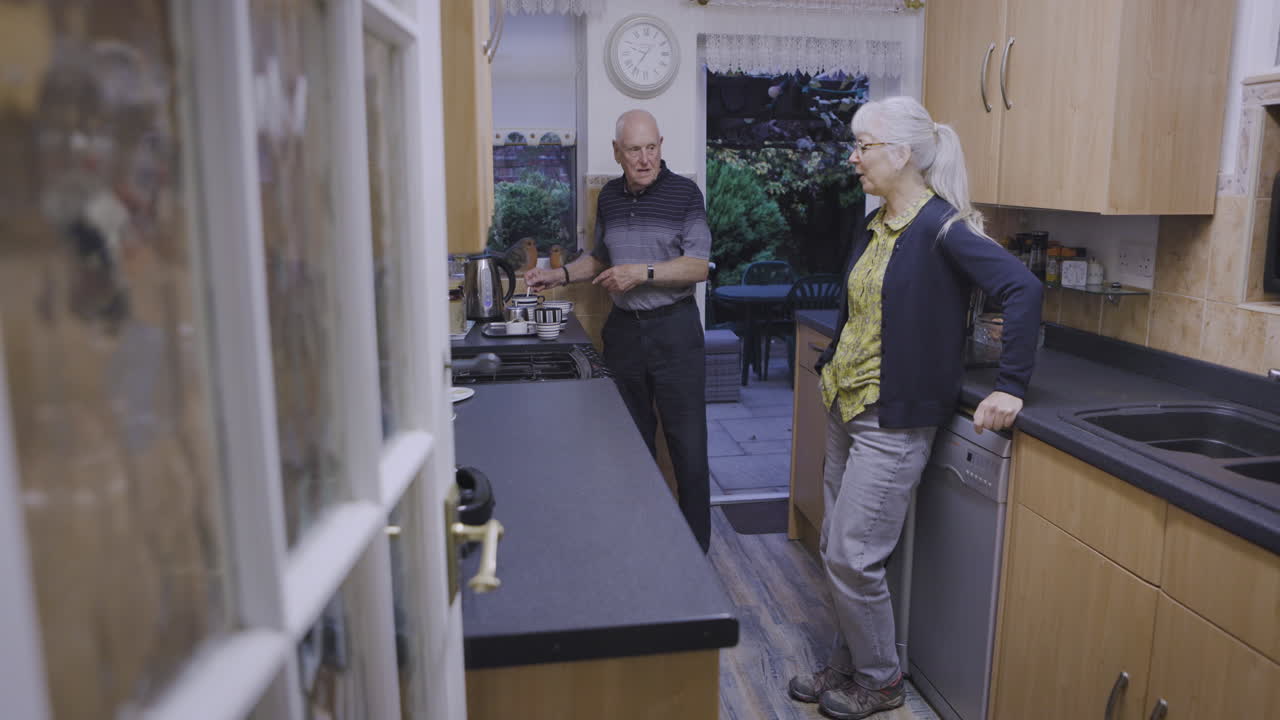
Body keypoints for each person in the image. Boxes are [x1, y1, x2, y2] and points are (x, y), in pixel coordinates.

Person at [786, 97, 1042, 719]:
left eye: (862, 146)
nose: (853, 158)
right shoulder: (877, 224)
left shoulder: (943, 227)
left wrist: (1012, 384)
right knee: (838, 550)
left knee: (852, 553)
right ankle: (849, 665)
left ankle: (881, 680)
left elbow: (1022, 286)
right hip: (850, 409)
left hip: (892, 422)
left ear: (901, 154)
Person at [524, 109, 713, 553]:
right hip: (624, 332)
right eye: (634, 150)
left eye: (652, 147)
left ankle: (695, 555)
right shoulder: (608, 196)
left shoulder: (686, 194)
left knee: (688, 449)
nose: (645, 159)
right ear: (617, 152)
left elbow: (699, 266)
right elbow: (602, 258)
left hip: (675, 331)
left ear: (661, 145)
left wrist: (642, 273)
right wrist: (559, 276)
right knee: (628, 444)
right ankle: (639, 542)